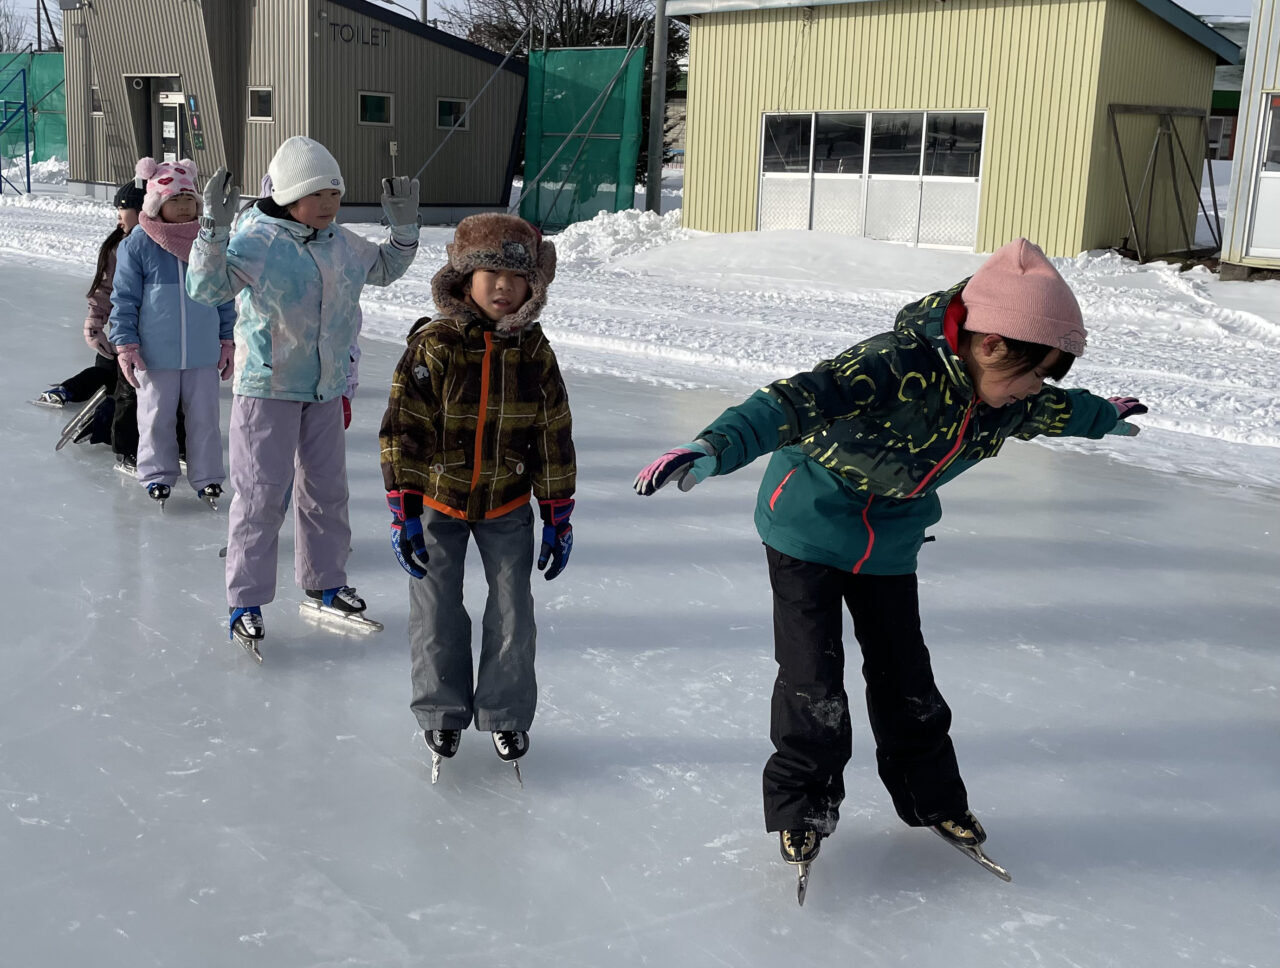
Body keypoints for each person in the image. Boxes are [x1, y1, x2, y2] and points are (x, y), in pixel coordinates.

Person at [633, 238, 1149, 876]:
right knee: (812, 676)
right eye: (1033, 374)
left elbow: (1054, 410)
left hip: (890, 540)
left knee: (907, 678)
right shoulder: (892, 364)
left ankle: (933, 800)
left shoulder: (1003, 401)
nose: (1034, 391)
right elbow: (793, 401)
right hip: (808, 526)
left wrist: (1103, 416)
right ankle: (802, 807)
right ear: (992, 345)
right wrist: (716, 446)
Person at [186, 136, 421, 651]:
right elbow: (205, 289)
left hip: (324, 389)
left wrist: (404, 230)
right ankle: (245, 599)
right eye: (318, 194)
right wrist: (213, 232)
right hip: (267, 387)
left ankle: (325, 581)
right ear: (291, 195)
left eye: (335, 194)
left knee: (327, 491)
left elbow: (384, 269)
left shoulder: (341, 243)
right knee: (260, 495)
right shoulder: (258, 239)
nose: (330, 204)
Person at [379, 213, 575, 776]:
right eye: (491, 273)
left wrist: (557, 513)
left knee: (513, 610)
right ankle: (441, 709)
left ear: (532, 285)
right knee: (435, 608)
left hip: (507, 501)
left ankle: (506, 711)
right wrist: (403, 510)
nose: (503, 287)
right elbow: (403, 428)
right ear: (465, 278)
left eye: (516, 277)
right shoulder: (434, 345)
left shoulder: (534, 351)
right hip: (438, 499)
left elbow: (553, 432)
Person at [109, 158, 235, 505]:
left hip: (202, 351)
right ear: (156, 204)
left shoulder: (209, 242)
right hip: (156, 353)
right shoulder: (138, 244)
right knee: (156, 417)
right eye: (174, 199)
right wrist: (126, 345)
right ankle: (157, 474)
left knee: (205, 419)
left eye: (188, 199)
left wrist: (227, 339)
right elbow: (124, 298)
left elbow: (223, 293)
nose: (183, 207)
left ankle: (208, 477)